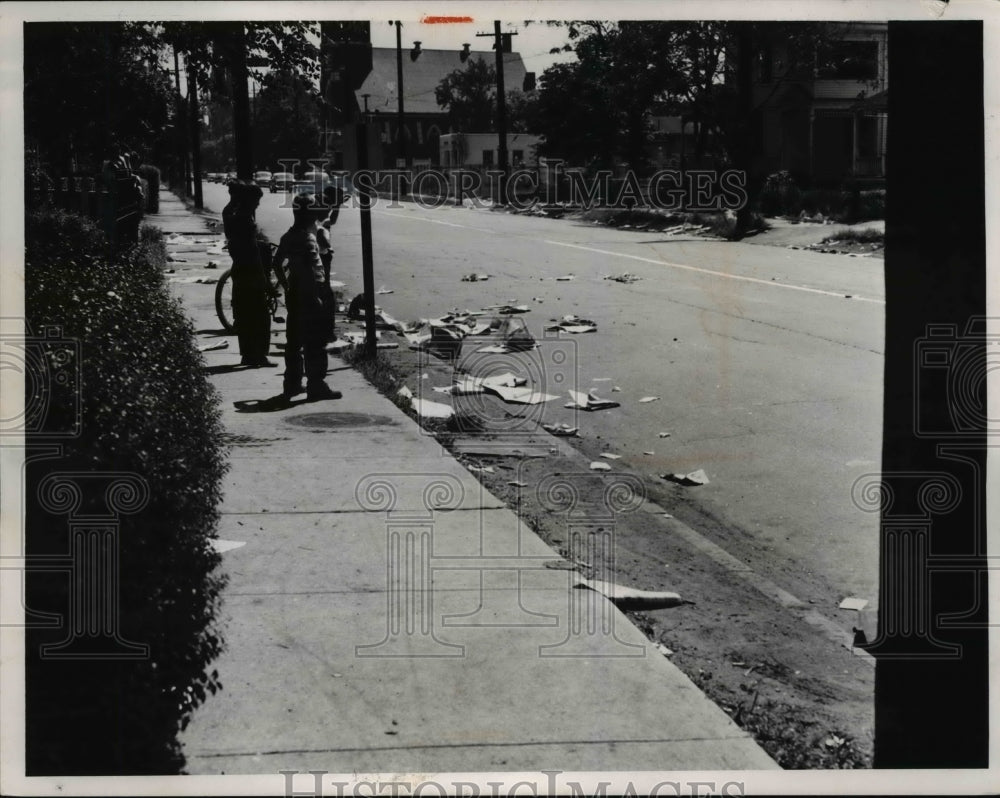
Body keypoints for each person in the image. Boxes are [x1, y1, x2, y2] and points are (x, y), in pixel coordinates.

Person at [272, 193, 341, 401]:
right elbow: (312, 269)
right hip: (311, 294)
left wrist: (287, 286)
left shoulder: (288, 236)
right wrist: (315, 296)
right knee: (315, 341)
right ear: (309, 214)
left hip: (294, 292)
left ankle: (292, 383)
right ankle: (316, 385)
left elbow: (276, 264)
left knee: (293, 341)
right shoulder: (309, 239)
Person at [222, 181, 274, 367]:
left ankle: (247, 354)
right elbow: (253, 252)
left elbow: (226, 210)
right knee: (261, 315)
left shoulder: (230, 215)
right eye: (256, 200)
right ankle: (259, 355)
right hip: (252, 271)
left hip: (239, 269)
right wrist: (265, 279)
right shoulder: (246, 220)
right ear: (249, 201)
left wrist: (233, 199)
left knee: (244, 314)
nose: (258, 204)